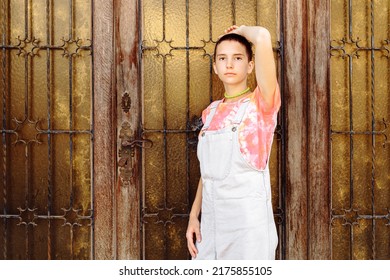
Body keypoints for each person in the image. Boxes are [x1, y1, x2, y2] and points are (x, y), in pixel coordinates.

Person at [186, 25, 281, 260]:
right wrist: (193, 215)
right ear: (215, 67)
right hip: (211, 223)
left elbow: (263, 37)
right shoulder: (210, 112)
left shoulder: (262, 105)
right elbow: (208, 172)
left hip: (247, 227)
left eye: (237, 58)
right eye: (222, 58)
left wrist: (246, 31)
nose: (229, 64)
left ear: (250, 65)